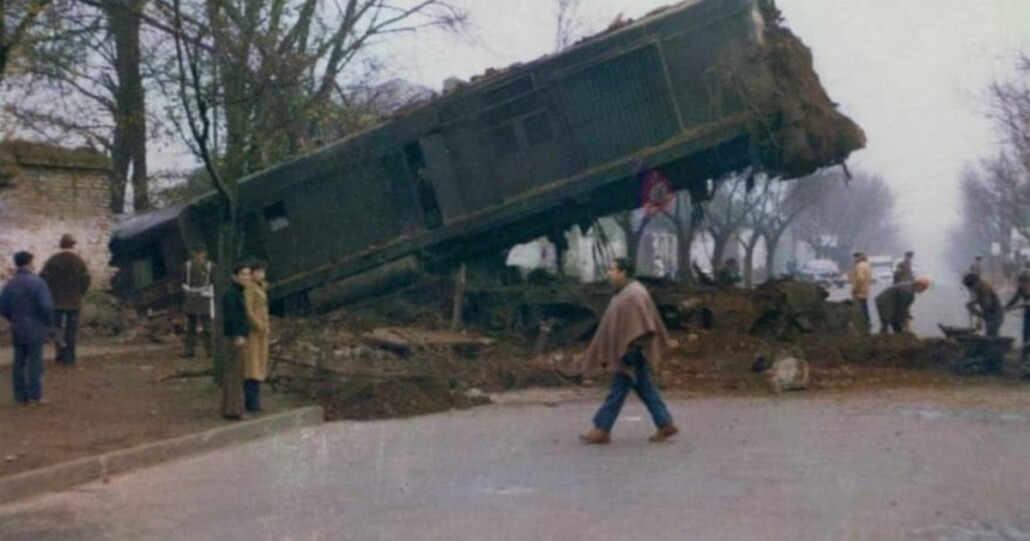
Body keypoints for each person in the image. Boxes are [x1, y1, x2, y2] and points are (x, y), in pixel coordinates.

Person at [579, 257, 678, 444]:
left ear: (623, 272)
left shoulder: (634, 294)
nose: (609, 273)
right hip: (630, 351)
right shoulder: (625, 292)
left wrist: (631, 347)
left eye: (613, 269)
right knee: (644, 387)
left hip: (633, 352)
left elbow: (644, 325)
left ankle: (601, 429)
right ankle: (665, 423)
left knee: (618, 390)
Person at [0, 252, 55, 405]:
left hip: (17, 325)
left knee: (19, 362)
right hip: (35, 326)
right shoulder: (37, 283)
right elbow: (46, 306)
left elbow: (3, 307)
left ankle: (20, 395)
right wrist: (48, 322)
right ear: (29, 263)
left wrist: (13, 318)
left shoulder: (10, 284)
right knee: (35, 362)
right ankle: (34, 395)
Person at [39, 234, 90, 364]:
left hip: (56, 301)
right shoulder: (78, 261)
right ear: (73, 245)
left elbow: (42, 279)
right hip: (73, 302)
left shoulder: (52, 260)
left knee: (57, 329)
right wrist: (80, 294)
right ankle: (70, 356)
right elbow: (86, 280)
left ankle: (60, 354)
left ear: (60, 245)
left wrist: (49, 294)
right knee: (71, 330)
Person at [221, 262, 251, 420]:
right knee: (235, 374)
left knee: (234, 373)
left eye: (248, 274)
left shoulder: (238, 292)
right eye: (243, 274)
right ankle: (235, 410)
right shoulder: (232, 294)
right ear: (235, 276)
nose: (246, 277)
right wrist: (238, 335)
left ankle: (230, 408)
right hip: (235, 338)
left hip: (237, 336)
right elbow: (232, 317)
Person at [243, 260, 270, 413]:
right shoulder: (250, 289)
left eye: (262, 272)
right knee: (252, 367)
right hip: (254, 333)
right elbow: (248, 310)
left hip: (261, 334)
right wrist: (258, 325)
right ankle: (252, 402)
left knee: (258, 365)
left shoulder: (261, 287)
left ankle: (255, 400)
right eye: (258, 272)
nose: (261, 275)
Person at [181, 244, 215, 359]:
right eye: (196, 254)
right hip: (191, 297)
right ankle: (189, 351)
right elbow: (182, 281)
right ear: (193, 254)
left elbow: (214, 282)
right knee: (190, 326)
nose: (199, 256)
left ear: (205, 254)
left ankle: (210, 350)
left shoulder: (211, 266)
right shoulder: (187, 266)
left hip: (205, 297)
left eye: (201, 253)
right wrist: (186, 290)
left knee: (207, 327)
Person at [1004, 270, 1030, 378]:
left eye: (1025, 282)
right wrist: (1006, 307)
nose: (1023, 285)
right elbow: (1015, 298)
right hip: (1028, 313)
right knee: (1026, 334)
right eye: (1022, 282)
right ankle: (1025, 357)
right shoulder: (1021, 288)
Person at [963, 273, 1003, 337]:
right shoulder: (978, 287)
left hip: (995, 315)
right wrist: (972, 304)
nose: (970, 290)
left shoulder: (984, 289)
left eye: (970, 287)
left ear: (975, 284)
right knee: (990, 335)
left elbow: (987, 307)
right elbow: (979, 299)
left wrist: (976, 312)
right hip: (990, 315)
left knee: (991, 335)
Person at [850, 252, 872, 335]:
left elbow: (860, 279)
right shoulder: (867, 265)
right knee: (865, 309)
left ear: (858, 257)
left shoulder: (859, 266)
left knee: (858, 311)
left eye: (855, 257)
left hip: (859, 292)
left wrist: (855, 289)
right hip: (865, 291)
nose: (854, 259)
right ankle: (867, 327)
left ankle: (861, 329)